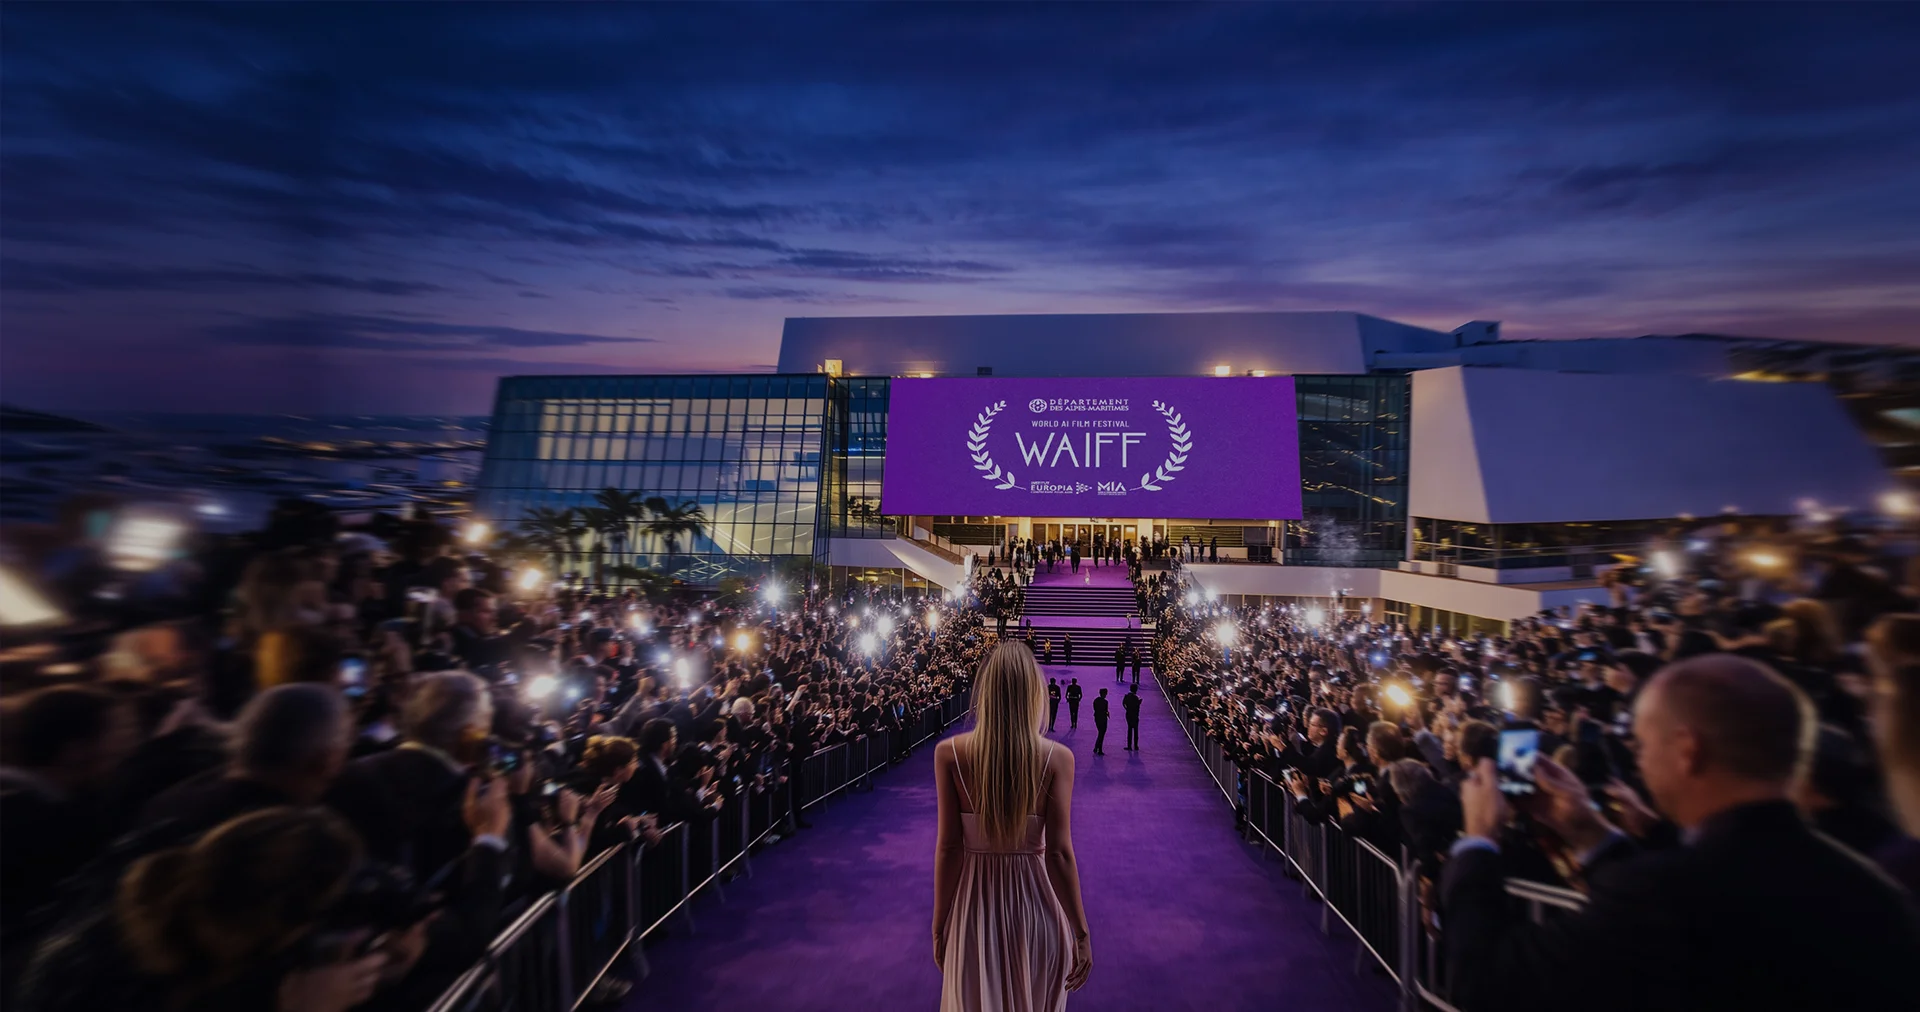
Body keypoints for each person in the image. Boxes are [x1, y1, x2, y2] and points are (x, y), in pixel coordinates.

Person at [1445, 655, 1920, 1012]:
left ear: (1687, 749)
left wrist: (1480, 840)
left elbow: (1485, 983)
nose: (1637, 762)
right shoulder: (1875, 892)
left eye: (1642, 744)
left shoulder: (1662, 895)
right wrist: (1590, 834)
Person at [932, 641, 1091, 1009]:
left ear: (986, 693)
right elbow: (1059, 854)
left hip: (974, 913)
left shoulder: (949, 755)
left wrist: (940, 925)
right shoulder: (1058, 759)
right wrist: (1081, 933)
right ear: (1034, 694)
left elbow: (950, 848)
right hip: (1038, 913)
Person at [1123, 686, 1142, 751]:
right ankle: (1136, 746)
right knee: (1136, 730)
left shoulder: (1127, 696)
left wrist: (1127, 709)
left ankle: (1129, 746)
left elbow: (1123, 703)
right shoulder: (1137, 697)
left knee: (1129, 729)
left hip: (1128, 714)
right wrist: (1139, 703)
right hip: (1135, 715)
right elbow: (1137, 706)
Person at [1092, 689, 1110, 756]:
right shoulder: (1105, 702)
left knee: (1100, 733)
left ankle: (1097, 747)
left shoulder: (1096, 700)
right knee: (1101, 734)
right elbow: (1106, 710)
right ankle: (1098, 749)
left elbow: (1095, 708)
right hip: (1103, 719)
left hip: (1097, 717)